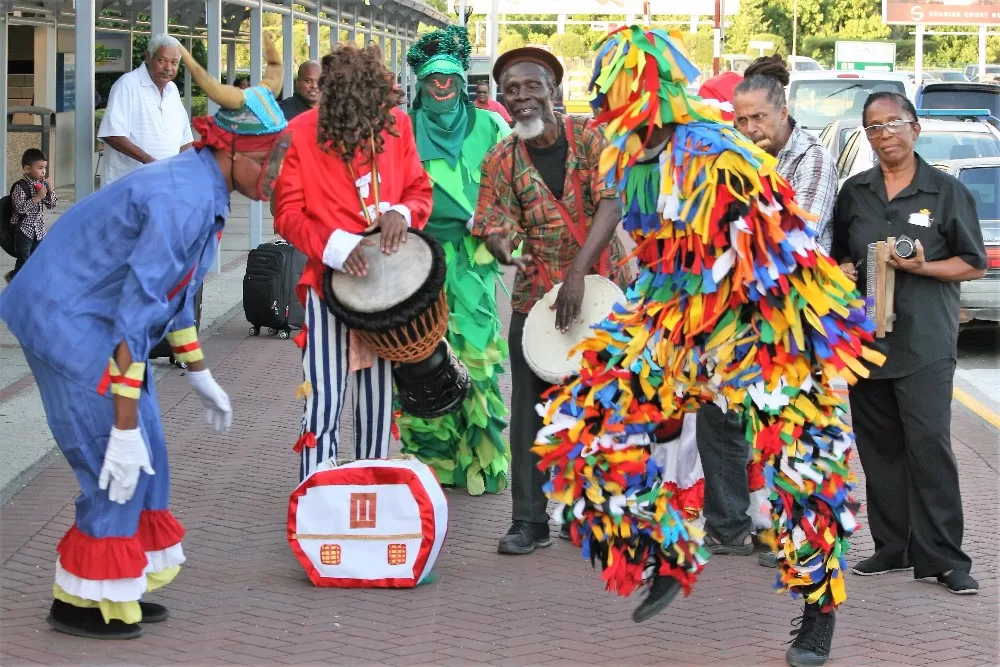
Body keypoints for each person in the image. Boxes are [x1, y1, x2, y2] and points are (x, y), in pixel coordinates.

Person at [536, 27, 885, 666]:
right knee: (580, 423)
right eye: (607, 93)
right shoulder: (624, 153)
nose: (612, 105)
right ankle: (661, 549)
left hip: (761, 318)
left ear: (657, 92)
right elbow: (618, 206)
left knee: (803, 467)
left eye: (623, 92)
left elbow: (784, 247)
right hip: (671, 312)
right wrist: (584, 267)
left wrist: (776, 334)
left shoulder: (721, 152)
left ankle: (818, 610)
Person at [0, 34, 289, 639]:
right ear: (230, 146)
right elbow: (137, 314)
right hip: (66, 316)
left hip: (98, 315)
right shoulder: (184, 198)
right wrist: (124, 423)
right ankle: (81, 600)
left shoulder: (203, 189)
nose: (278, 174)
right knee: (115, 457)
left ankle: (108, 585)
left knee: (150, 458)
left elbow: (171, 297)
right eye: (269, 159)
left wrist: (200, 370)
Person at [471, 46, 633, 555]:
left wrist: (579, 273)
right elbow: (493, 223)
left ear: (554, 91)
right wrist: (500, 243)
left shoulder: (590, 137)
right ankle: (529, 521)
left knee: (604, 409)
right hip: (538, 296)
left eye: (531, 86)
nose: (521, 98)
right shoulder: (500, 158)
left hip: (603, 285)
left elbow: (613, 201)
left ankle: (596, 517)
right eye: (511, 90)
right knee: (530, 409)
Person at [833, 92, 985, 595]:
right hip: (868, 343)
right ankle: (892, 546)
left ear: (915, 128)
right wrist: (847, 270)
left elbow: (973, 262)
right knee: (878, 450)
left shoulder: (945, 191)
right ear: (867, 136)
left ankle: (945, 558)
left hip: (925, 342)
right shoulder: (854, 192)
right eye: (874, 127)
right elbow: (838, 259)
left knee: (929, 448)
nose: (885, 134)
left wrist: (924, 267)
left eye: (895, 123)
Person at [698, 55, 842, 565]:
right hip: (733, 312)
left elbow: (788, 238)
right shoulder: (731, 157)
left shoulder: (812, 161)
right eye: (741, 120)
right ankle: (727, 527)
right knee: (718, 418)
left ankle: (793, 533)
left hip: (791, 316)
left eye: (758, 118)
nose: (750, 128)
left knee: (786, 424)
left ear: (783, 111)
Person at [273, 43, 433, 481]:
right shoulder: (301, 132)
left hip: (386, 289)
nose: (368, 131)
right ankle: (316, 495)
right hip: (329, 286)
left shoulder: (396, 124)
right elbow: (286, 214)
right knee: (323, 398)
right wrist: (331, 245)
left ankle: (371, 491)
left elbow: (420, 190)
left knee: (378, 401)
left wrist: (402, 212)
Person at [397, 26, 512, 494]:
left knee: (474, 351)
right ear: (420, 85)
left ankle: (480, 458)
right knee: (421, 353)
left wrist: (490, 220)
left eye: (449, 80)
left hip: (470, 259)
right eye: (432, 82)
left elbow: (514, 186)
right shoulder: (401, 128)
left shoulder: (490, 126)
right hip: (418, 260)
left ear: (463, 81)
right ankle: (432, 458)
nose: (441, 89)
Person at [98, 34, 194, 186]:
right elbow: (113, 134)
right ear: (148, 57)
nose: (168, 68)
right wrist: (149, 162)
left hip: (165, 185)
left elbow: (185, 140)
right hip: (129, 186)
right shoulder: (127, 85)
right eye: (162, 60)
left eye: (174, 62)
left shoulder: (172, 90)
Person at [4, 148, 56, 284]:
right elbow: (20, 209)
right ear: (27, 168)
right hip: (23, 230)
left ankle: (21, 279)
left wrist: (50, 190)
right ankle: (16, 282)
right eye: (40, 168)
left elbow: (52, 205)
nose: (43, 171)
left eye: (45, 168)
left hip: (38, 229)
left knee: (38, 258)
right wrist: (37, 198)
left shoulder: (41, 184)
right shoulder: (20, 187)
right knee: (24, 259)